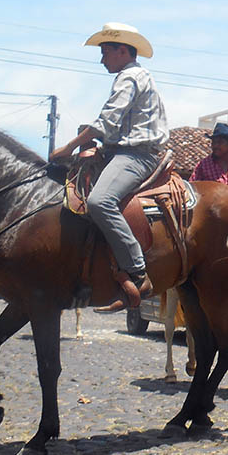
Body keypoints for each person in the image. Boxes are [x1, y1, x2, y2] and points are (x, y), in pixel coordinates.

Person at [50, 22, 168, 311]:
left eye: (106, 52)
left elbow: (107, 121)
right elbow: (115, 128)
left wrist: (69, 146)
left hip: (138, 155)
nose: (102, 59)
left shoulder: (130, 76)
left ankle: (138, 271)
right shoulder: (132, 76)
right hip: (121, 151)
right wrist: (99, 149)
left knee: (100, 201)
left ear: (123, 51)